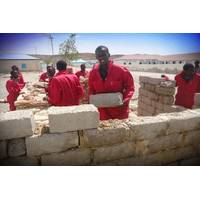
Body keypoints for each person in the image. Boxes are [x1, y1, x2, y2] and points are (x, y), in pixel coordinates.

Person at [88, 45, 134, 120]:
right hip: (102, 113)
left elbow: (130, 87)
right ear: (96, 57)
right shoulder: (93, 73)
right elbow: (91, 90)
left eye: (104, 55)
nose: (101, 57)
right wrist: (92, 102)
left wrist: (125, 101)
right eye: (99, 55)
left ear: (109, 55)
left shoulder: (121, 71)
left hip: (119, 112)